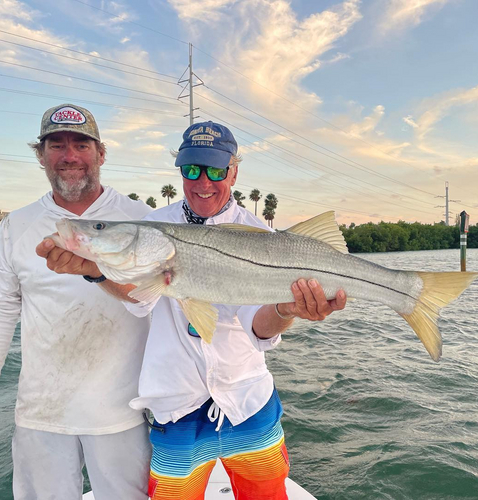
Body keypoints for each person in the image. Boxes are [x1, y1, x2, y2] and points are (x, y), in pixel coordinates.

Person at [37, 120, 347, 500]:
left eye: (216, 170)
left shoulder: (260, 235)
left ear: (233, 171)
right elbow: (139, 297)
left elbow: (260, 330)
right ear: (180, 170)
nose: (203, 182)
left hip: (247, 400)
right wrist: (95, 270)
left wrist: (287, 308)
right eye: (191, 169)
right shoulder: (155, 227)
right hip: (177, 406)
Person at [0, 103, 153, 500]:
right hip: (41, 413)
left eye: (82, 145)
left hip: (123, 412)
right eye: (56, 145)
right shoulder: (16, 225)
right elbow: (2, 311)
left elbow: (164, 304)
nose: (69, 157)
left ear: (101, 154)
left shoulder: (142, 218)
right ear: (40, 156)